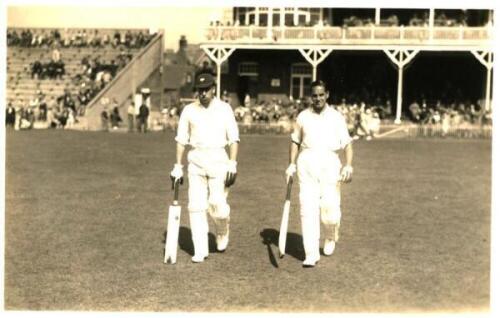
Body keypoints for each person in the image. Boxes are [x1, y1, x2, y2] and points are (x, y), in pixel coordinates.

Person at [170, 72, 239, 263]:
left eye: (206, 90)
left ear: (213, 89)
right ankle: (200, 249)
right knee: (196, 206)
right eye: (199, 90)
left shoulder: (225, 109)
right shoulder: (189, 110)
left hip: (218, 159)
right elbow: (181, 140)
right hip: (196, 161)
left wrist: (232, 164)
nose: (202, 93)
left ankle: (222, 230)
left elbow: (233, 139)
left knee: (217, 205)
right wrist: (177, 166)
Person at [285, 80, 353, 267]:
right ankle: (311, 253)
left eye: (321, 95)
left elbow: (347, 144)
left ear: (327, 95)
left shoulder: (336, 117)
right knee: (307, 209)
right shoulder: (303, 117)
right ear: (310, 96)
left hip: (330, 163)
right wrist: (291, 164)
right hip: (307, 163)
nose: (318, 98)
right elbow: (295, 141)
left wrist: (348, 166)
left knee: (329, 211)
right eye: (314, 95)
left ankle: (331, 234)